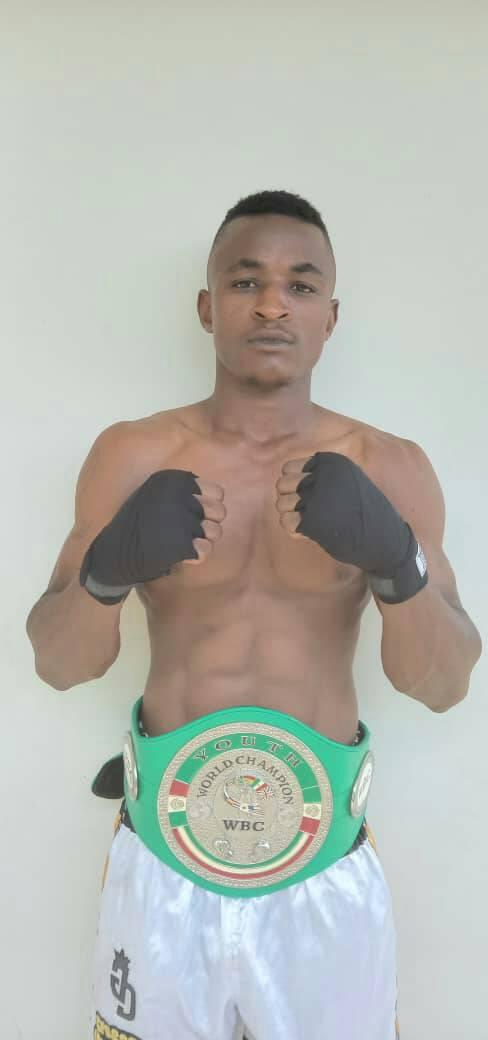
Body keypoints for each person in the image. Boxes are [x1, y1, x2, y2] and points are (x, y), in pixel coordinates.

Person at [26, 189, 482, 1040]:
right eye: (245, 282)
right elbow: (58, 663)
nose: (273, 304)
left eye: (301, 286)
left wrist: (399, 563)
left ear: (331, 318)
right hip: (161, 863)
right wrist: (105, 573)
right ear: (207, 308)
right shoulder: (132, 455)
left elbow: (444, 683)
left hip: (324, 865)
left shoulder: (390, 466)